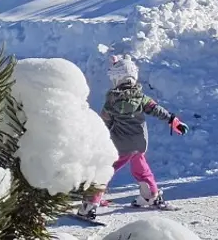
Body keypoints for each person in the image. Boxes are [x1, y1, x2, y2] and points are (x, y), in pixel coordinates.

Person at [77, 56, 187, 219]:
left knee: (104, 171)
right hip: (140, 143)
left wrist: (96, 140)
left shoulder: (112, 103)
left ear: (117, 79)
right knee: (141, 169)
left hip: (120, 146)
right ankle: (150, 195)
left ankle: (90, 205)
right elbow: (158, 110)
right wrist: (173, 121)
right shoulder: (142, 99)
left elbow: (104, 124)